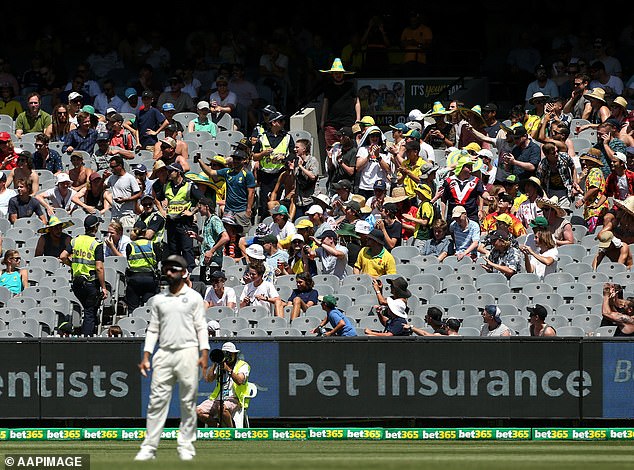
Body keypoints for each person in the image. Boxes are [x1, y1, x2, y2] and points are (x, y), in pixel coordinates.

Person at [135, 255, 209, 461]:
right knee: (157, 402)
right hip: (164, 353)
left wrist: (204, 353)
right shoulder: (159, 300)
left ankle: (186, 446)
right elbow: (153, 329)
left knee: (187, 402)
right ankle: (149, 447)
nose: (169, 273)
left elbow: (201, 327)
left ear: (184, 272)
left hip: (188, 352)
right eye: (167, 269)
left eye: (174, 269)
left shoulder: (194, 297)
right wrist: (146, 355)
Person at [60, 214, 108, 336]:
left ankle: (86, 333)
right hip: (90, 283)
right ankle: (87, 339)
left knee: (88, 310)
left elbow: (62, 256)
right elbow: (99, 268)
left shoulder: (75, 240)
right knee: (89, 312)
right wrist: (103, 287)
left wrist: (72, 265)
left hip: (76, 283)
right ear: (96, 227)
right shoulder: (96, 243)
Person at [200, 149, 255, 233]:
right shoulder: (227, 172)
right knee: (228, 234)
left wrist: (248, 210)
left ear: (244, 160)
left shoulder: (247, 174)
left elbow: (251, 193)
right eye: (234, 158)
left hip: (241, 210)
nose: (236, 161)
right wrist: (200, 161)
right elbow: (211, 172)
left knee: (244, 234)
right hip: (228, 210)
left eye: (238, 159)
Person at [195, 341, 249, 429]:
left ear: (234, 354)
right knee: (197, 411)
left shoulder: (242, 365)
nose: (227, 356)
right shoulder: (220, 365)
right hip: (217, 399)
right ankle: (218, 426)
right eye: (224, 354)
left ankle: (230, 430)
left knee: (222, 408)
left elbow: (240, 381)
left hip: (234, 399)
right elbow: (209, 379)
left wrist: (229, 370)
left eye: (229, 354)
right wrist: (215, 363)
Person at [319, 58, 361, 151]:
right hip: (331, 124)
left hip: (347, 123)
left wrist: (358, 119)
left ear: (343, 74)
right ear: (332, 74)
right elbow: (325, 103)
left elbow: (357, 102)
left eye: (340, 73)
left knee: (348, 150)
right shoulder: (329, 87)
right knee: (331, 151)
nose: (338, 75)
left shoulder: (350, 86)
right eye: (336, 73)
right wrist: (322, 121)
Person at [189, 196, 229, 283]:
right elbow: (209, 241)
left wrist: (211, 251)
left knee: (211, 285)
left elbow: (225, 237)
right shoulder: (207, 221)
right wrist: (197, 237)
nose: (199, 210)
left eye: (200, 207)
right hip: (206, 261)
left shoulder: (215, 220)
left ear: (206, 207)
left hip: (213, 262)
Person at [124, 219, 159, 311]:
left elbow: (128, 260)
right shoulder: (152, 245)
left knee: (132, 308)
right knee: (147, 308)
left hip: (134, 279)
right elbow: (157, 260)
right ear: (145, 231)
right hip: (149, 279)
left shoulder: (130, 245)